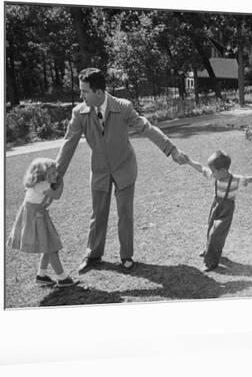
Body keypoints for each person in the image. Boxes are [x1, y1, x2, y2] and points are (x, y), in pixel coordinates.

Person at [55, 67, 188, 273]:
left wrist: (172, 150)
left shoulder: (123, 107)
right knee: (98, 214)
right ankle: (93, 255)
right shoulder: (79, 113)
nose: (81, 96)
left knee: (125, 214)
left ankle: (126, 256)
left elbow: (147, 128)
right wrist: (57, 174)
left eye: (84, 91)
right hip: (99, 171)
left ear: (99, 92)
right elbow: (68, 144)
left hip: (124, 167)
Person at [186, 150, 252, 272]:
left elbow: (251, 179)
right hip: (215, 205)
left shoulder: (235, 179)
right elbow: (201, 168)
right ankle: (209, 250)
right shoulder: (214, 176)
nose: (211, 173)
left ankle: (211, 262)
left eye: (213, 171)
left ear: (222, 171)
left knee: (216, 234)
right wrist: (189, 161)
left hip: (226, 210)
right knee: (210, 228)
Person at [7, 157, 77, 287]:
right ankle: (62, 278)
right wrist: (61, 182)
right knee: (51, 248)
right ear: (41, 175)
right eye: (52, 173)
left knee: (48, 246)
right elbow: (57, 196)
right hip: (36, 217)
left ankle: (42, 275)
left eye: (56, 172)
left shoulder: (40, 183)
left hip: (38, 215)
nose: (56, 175)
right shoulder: (42, 185)